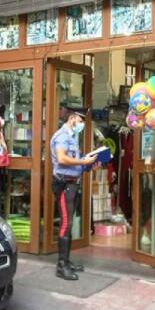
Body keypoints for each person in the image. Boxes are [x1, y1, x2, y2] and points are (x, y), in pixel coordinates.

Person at [50, 106, 97, 280]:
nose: (82, 124)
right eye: (81, 120)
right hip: (65, 185)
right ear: (72, 119)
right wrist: (83, 161)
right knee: (66, 224)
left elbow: (73, 162)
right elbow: (62, 158)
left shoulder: (71, 137)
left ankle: (67, 262)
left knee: (68, 224)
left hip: (73, 185)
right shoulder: (62, 136)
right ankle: (61, 266)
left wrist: (88, 163)